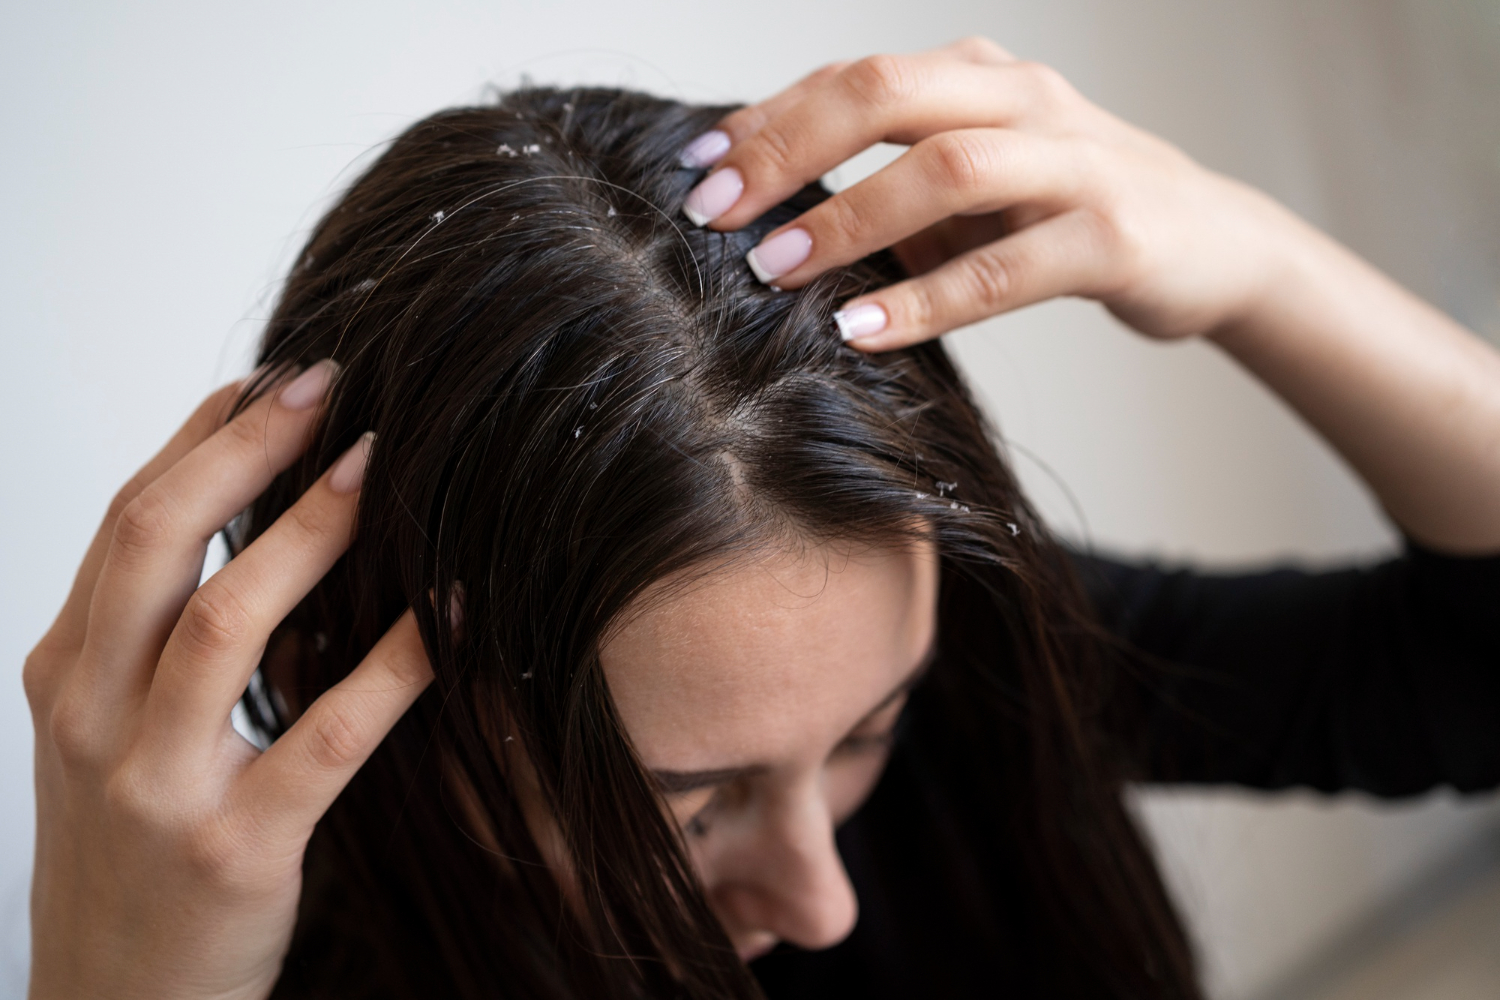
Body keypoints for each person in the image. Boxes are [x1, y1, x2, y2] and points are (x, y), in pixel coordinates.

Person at [23, 38, 1500, 1000]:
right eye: (685, 805)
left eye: (869, 734)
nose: (819, 899)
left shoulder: (972, 673)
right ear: (343, 670)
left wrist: (1260, 267)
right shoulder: (244, 956)